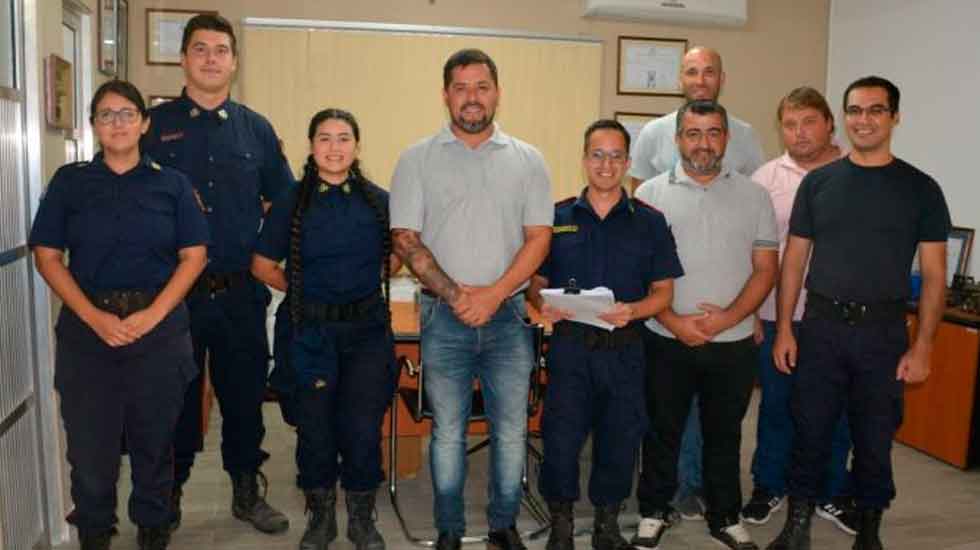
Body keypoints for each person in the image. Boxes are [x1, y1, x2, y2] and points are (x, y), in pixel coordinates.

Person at [766, 76, 950, 550]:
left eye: (874, 110)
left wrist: (924, 344)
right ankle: (797, 525)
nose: (862, 120)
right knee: (809, 429)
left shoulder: (921, 189)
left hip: (883, 333)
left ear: (894, 117)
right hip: (821, 327)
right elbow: (794, 262)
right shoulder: (819, 184)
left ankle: (869, 529)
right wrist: (786, 327)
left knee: (873, 436)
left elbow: (933, 276)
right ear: (843, 118)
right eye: (854, 110)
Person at [28, 80, 209, 550]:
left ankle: (153, 527)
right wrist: (93, 317)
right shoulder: (70, 183)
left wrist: (151, 316)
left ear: (144, 124)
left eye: (127, 113)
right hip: (89, 334)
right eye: (106, 114)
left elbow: (194, 256)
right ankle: (94, 530)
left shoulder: (172, 184)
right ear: (93, 125)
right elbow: (47, 256)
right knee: (91, 449)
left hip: (159, 330)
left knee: (155, 443)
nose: (118, 123)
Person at [390, 48, 553, 550]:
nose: (472, 97)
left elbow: (539, 237)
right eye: (460, 87)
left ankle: (503, 526)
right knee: (447, 434)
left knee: (509, 433)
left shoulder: (528, 159)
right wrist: (462, 296)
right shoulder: (417, 158)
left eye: (481, 86)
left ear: (497, 91)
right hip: (444, 318)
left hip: (507, 319)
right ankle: (449, 531)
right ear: (445, 95)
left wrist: (495, 295)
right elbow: (405, 240)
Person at [141, 13, 293, 534]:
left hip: (238, 294)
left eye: (221, 50)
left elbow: (284, 203)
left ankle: (247, 491)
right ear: (183, 58)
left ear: (233, 61)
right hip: (172, 297)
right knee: (174, 402)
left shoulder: (257, 129)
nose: (211, 58)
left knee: (245, 398)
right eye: (200, 49)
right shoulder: (151, 128)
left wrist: (265, 258)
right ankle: (168, 497)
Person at [528, 119, 682, 550]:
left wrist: (633, 310)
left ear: (628, 163)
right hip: (571, 352)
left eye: (616, 156)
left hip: (626, 351)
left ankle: (606, 524)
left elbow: (664, 294)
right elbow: (535, 282)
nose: (606, 164)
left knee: (618, 441)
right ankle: (561, 524)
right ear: (584, 160)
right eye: (598, 154)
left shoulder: (649, 222)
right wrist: (544, 306)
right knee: (560, 441)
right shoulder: (555, 218)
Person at [632, 100, 778, 550]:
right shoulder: (648, 196)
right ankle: (654, 511)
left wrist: (727, 319)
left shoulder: (754, 196)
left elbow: (765, 269)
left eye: (713, 133)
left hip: (731, 341)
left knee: (724, 433)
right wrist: (675, 321)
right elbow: (638, 275)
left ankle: (725, 516)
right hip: (665, 336)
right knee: (662, 431)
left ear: (726, 138)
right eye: (693, 133)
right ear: (677, 139)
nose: (703, 143)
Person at [251, 109, 399, 550]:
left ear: (357, 146)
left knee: (362, 427)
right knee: (315, 430)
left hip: (367, 332)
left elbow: (394, 259)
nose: (334, 148)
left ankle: (360, 519)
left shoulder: (380, 201)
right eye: (325, 139)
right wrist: (301, 292)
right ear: (312, 147)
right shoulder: (290, 202)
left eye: (344, 138)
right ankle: (321, 521)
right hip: (309, 333)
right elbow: (262, 266)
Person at [741, 87, 857, 534]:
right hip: (777, 316)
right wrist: (752, 312)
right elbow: (750, 252)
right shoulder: (766, 180)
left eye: (809, 121)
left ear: (830, 123)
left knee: (837, 409)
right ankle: (769, 485)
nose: (799, 132)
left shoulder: (856, 174)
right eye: (790, 124)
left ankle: (830, 491)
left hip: (840, 318)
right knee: (777, 405)